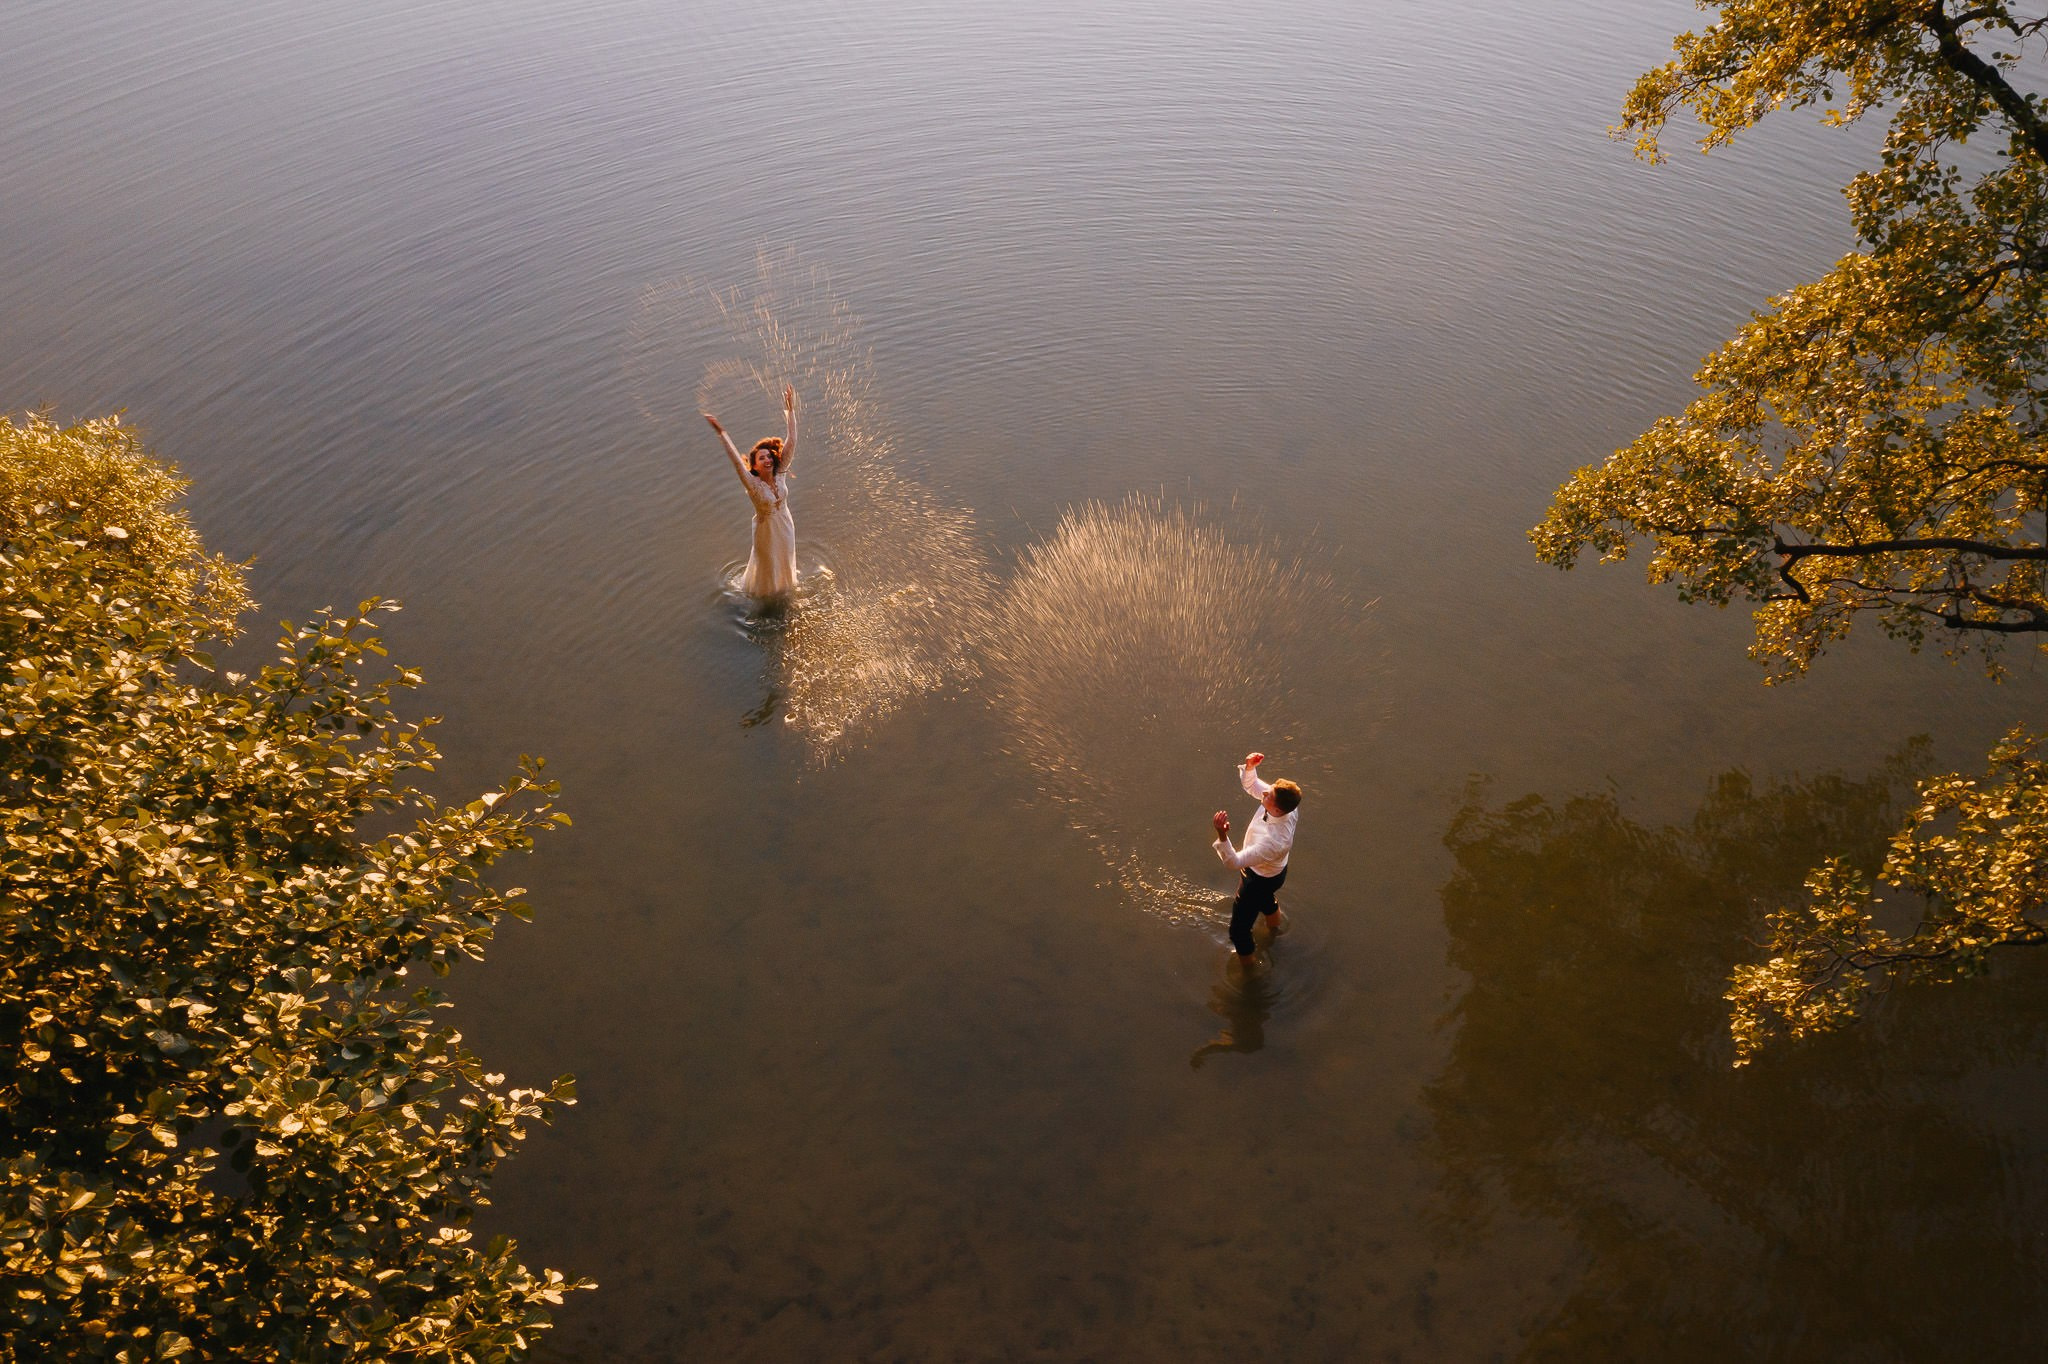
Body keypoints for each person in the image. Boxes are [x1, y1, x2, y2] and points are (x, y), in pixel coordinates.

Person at [703, 384, 799, 599]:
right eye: (761, 458)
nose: (766, 459)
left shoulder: (780, 474)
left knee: (784, 560)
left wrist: (790, 409)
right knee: (768, 567)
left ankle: (785, 593)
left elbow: (791, 440)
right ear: (754, 466)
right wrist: (721, 432)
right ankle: (765, 599)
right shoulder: (753, 485)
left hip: (785, 527)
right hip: (766, 533)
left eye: (768, 456)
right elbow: (737, 462)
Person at [1211, 750, 1301, 973]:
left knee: (1238, 931)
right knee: (1266, 899)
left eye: (1268, 796)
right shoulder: (1286, 805)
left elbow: (1233, 862)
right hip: (1276, 873)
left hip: (1258, 879)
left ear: (1277, 809)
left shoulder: (1274, 842)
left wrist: (1222, 835)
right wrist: (1250, 768)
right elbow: (1254, 787)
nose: (1264, 794)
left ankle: (1250, 973)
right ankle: (1274, 930)